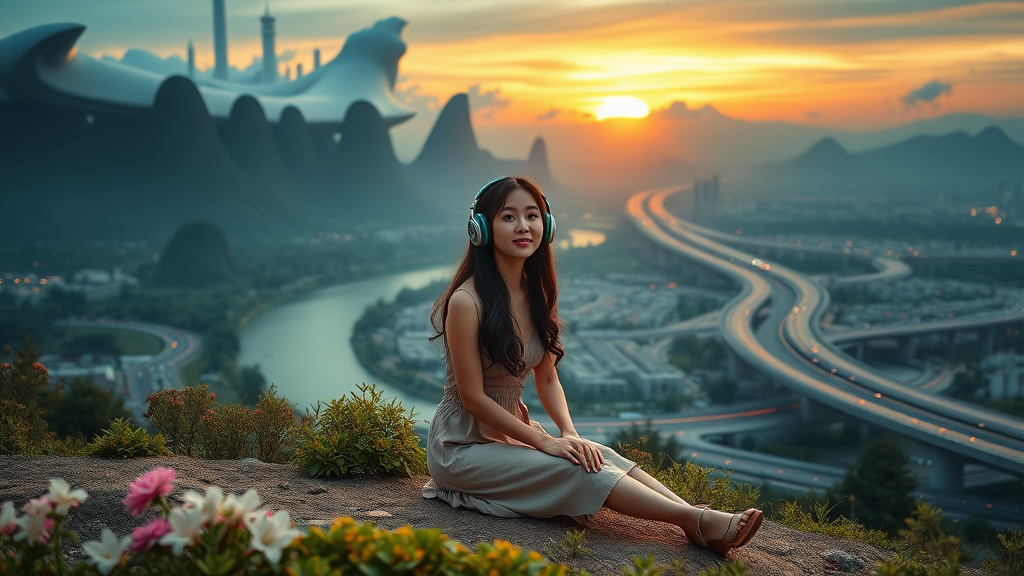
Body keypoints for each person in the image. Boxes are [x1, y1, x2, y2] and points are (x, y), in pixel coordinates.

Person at [421, 176, 762, 555]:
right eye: (508, 217)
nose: (523, 226)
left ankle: (696, 518)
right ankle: (694, 521)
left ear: (546, 226)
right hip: (462, 446)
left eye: (532, 216)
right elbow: (472, 398)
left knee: (598, 455)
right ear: (481, 228)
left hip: (511, 434)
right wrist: (543, 440)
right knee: (573, 470)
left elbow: (547, 377)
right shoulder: (468, 302)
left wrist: (568, 432)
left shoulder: (537, 296)